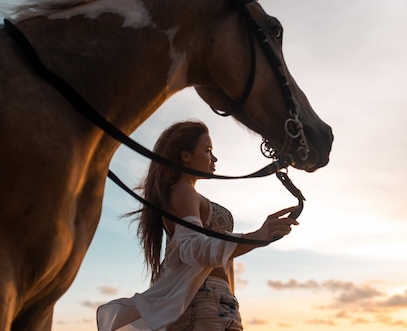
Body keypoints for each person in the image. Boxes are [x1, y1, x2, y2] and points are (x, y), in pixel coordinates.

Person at [97, 120, 299, 331]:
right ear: (185, 156)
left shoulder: (184, 194)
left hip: (213, 301)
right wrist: (257, 236)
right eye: (208, 150)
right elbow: (190, 248)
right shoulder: (183, 191)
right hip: (206, 304)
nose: (214, 158)